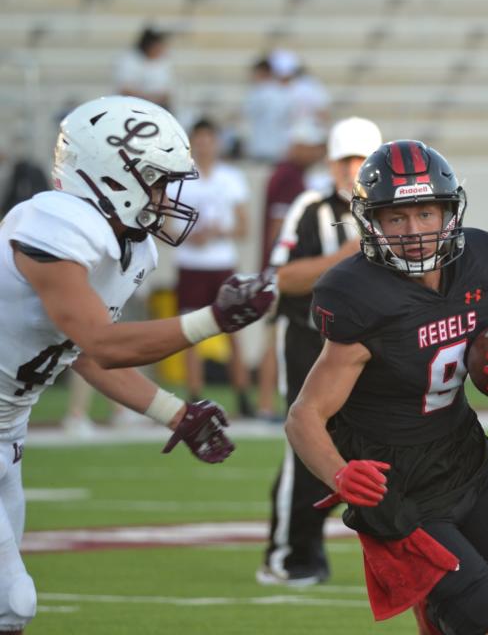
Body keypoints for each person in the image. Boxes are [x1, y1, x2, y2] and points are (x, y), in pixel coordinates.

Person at [0, 95, 276, 635]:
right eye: (155, 180)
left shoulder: (130, 247)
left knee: (9, 608)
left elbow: (78, 353)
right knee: (14, 599)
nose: (164, 196)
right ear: (108, 175)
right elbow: (104, 343)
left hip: (10, 432)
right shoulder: (53, 225)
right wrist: (212, 320)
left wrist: (174, 412)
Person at [285, 140, 488, 634]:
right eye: (396, 218)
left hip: (469, 465)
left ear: (449, 211)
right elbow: (304, 416)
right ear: (371, 222)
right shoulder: (359, 296)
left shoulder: (482, 264)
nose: (414, 231)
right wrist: (341, 478)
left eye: (425, 213)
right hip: (402, 495)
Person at [257, 117, 381, 586]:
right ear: (330, 164)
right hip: (311, 340)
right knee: (307, 442)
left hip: (373, 346)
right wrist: (343, 256)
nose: (353, 170)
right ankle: (288, 556)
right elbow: (279, 276)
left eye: (361, 159)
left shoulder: (395, 209)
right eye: (345, 160)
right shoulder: (310, 208)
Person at [175, 118, 253, 414]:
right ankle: (194, 394)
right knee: (188, 333)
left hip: (221, 263)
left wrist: (219, 232)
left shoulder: (230, 177)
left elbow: (243, 226)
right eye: (199, 139)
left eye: (209, 138)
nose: (204, 145)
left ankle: (243, 395)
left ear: (217, 142)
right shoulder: (180, 178)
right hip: (191, 263)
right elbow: (168, 226)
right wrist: (191, 236)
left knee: (233, 330)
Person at [255, 120, 328, 421]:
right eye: (310, 146)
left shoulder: (290, 175)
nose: (316, 153)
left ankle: (267, 403)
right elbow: (279, 227)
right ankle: (267, 405)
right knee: (277, 337)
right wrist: (278, 269)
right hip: (280, 271)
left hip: (276, 268)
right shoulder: (289, 177)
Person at [114, 27, 174, 109]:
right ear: (148, 46)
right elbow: (125, 89)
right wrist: (147, 99)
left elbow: (166, 92)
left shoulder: (163, 61)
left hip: (157, 105)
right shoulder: (129, 60)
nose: (160, 49)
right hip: (131, 105)